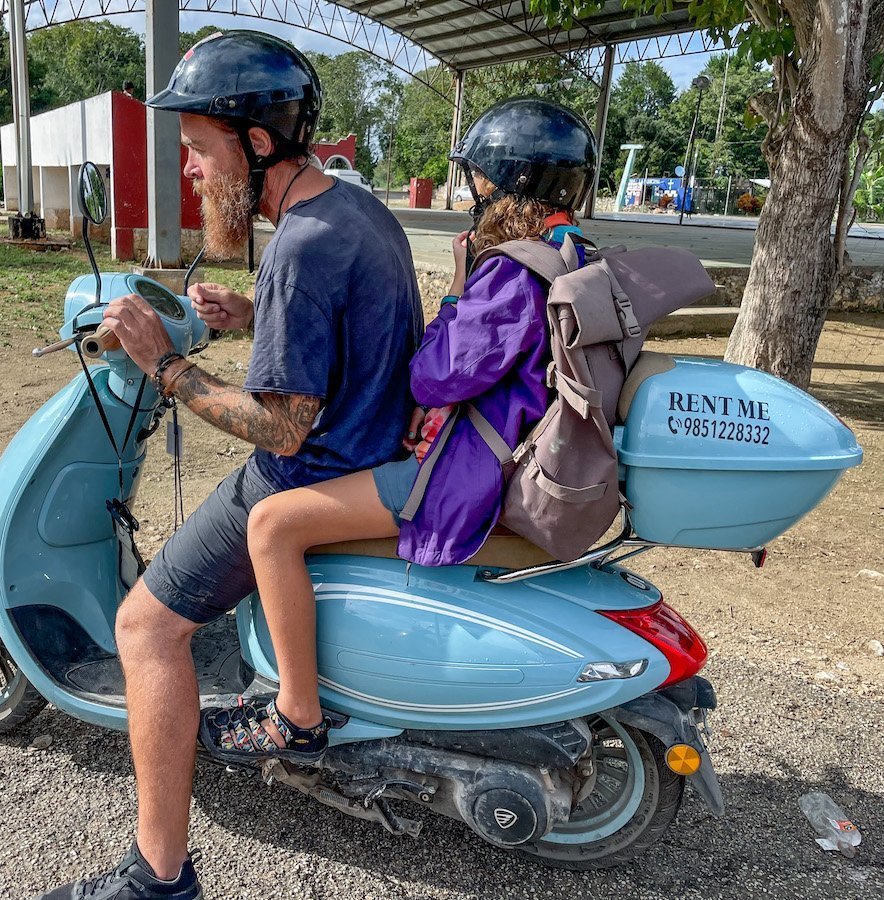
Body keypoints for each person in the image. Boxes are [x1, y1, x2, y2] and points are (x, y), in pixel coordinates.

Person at [37, 31, 423, 900]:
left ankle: (157, 878)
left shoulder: (301, 245)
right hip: (371, 450)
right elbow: (361, 336)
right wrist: (257, 313)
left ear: (256, 143)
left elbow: (281, 429)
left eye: (200, 151)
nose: (193, 174)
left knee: (145, 628)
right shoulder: (356, 212)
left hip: (308, 473)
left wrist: (165, 368)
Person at [197, 98, 598, 766]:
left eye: (478, 180)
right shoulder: (570, 252)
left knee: (272, 524)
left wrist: (457, 288)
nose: (472, 192)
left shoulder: (512, 270)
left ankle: (296, 714)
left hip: (463, 471)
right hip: (503, 450)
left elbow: (439, 375)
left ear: (506, 184)